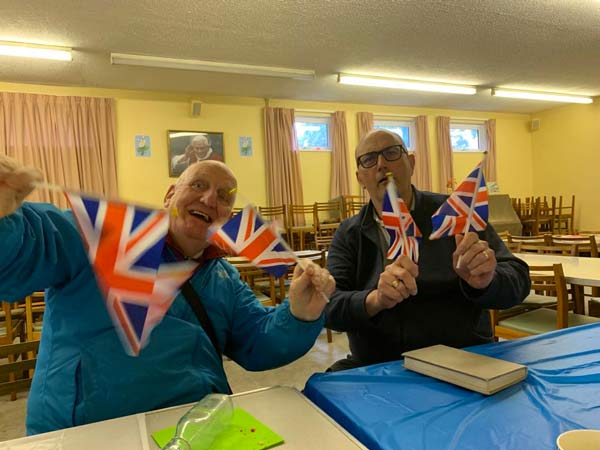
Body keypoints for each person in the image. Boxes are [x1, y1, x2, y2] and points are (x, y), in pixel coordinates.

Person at [0, 156, 335, 434]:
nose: (209, 199)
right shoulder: (102, 236)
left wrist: (299, 314)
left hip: (194, 429)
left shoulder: (223, 276)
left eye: (224, 196)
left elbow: (258, 344)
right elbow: (25, 247)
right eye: (198, 185)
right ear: (169, 195)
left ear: (226, 218)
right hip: (89, 432)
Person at [325, 129, 530, 371]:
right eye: (369, 159)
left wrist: (487, 281)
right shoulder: (349, 233)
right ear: (360, 178)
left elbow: (519, 279)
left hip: (462, 357)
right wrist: (375, 300)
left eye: (391, 152)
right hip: (377, 364)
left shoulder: (454, 213)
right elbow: (328, 306)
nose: (381, 164)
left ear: (411, 163)